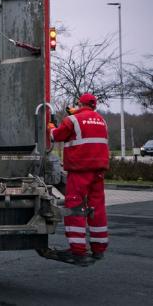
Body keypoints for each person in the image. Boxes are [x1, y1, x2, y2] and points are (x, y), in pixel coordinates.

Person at [47, 92, 110, 266]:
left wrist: (51, 126)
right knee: (97, 208)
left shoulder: (72, 120)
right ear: (93, 105)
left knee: (74, 206)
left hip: (80, 170)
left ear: (80, 104)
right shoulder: (101, 120)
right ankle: (99, 248)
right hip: (98, 171)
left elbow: (56, 136)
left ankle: (78, 250)